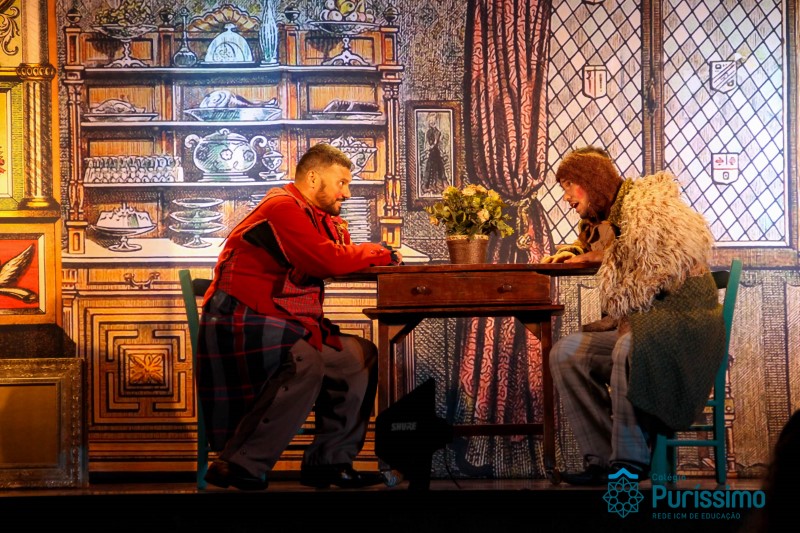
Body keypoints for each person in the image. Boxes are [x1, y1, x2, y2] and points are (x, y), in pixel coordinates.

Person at [197, 143, 402, 490]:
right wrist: (379, 252)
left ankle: (329, 462)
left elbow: (336, 253)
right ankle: (236, 463)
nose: (347, 193)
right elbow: (328, 260)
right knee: (304, 359)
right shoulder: (282, 207)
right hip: (240, 316)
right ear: (313, 178)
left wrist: (355, 250)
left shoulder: (313, 215)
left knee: (358, 357)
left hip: (282, 318)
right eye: (341, 183)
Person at [543, 146, 725, 485]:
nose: (566, 197)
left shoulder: (648, 206)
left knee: (628, 347)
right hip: (643, 321)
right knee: (566, 354)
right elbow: (602, 245)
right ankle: (601, 460)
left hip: (683, 319)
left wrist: (593, 257)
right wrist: (578, 252)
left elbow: (654, 259)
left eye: (569, 186)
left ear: (591, 181)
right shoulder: (606, 219)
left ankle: (630, 462)